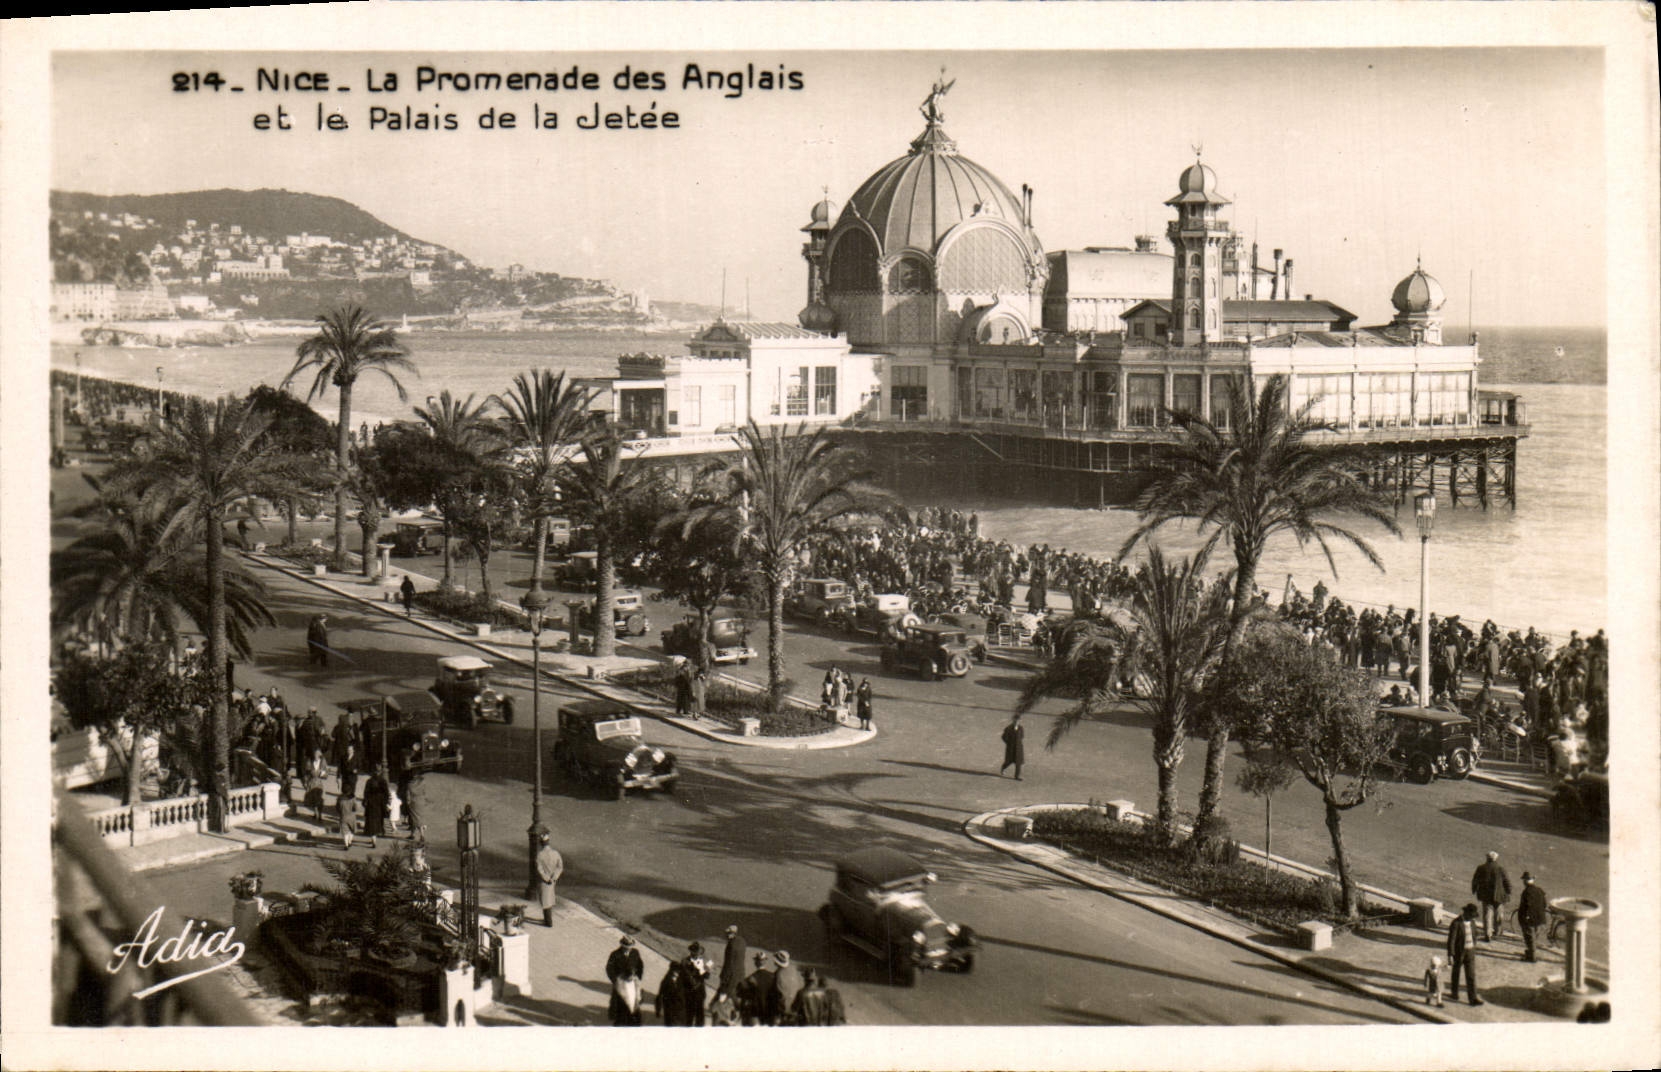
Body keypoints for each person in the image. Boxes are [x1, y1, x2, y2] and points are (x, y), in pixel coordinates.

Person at [656, 942, 709, 1026]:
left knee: (700, 1014)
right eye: (694, 951)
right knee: (689, 1014)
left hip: (699, 992)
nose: (696, 954)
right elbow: (683, 975)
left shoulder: (702, 962)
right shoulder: (685, 961)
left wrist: (703, 970)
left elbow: (706, 976)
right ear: (691, 951)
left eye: (697, 951)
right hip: (689, 991)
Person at [1446, 903, 1484, 1005]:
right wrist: (1450, 954)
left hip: (1470, 952)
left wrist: (1473, 946)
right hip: (1459, 953)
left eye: (1473, 917)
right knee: (1456, 973)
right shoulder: (1456, 923)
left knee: (1471, 975)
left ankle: (1473, 998)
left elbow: (1475, 934)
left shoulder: (1472, 923)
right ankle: (1454, 993)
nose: (1472, 918)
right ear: (1466, 913)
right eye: (1471, 916)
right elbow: (1451, 940)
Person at [1471, 850, 1512, 941]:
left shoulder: (1481, 868)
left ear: (1487, 858)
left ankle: (1487, 934)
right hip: (1499, 896)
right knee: (1498, 915)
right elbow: (1507, 882)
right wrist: (1509, 892)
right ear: (1496, 858)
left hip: (1486, 895)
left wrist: (1474, 890)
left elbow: (1475, 880)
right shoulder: (1501, 869)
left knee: (1487, 915)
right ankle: (1497, 932)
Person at [606, 935, 644, 1026]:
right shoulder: (615, 954)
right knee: (621, 1003)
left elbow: (640, 965)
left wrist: (638, 977)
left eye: (630, 947)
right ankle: (620, 1021)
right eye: (626, 947)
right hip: (621, 983)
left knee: (634, 1001)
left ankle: (634, 1020)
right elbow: (609, 968)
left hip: (632, 982)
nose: (628, 949)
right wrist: (616, 980)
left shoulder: (635, 953)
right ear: (622, 945)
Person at [1517, 871, 1550, 963]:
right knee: (1535, 936)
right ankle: (1530, 952)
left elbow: (1527, 906)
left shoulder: (1526, 892)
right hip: (1540, 918)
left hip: (1529, 919)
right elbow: (1544, 904)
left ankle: (1532, 957)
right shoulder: (1539, 890)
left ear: (1525, 881)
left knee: (1529, 937)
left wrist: (1525, 917)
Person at [736, 951, 774, 1026]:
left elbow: (741, 994)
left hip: (755, 1014)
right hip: (769, 1013)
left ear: (756, 962)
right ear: (765, 961)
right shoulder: (772, 977)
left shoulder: (750, 978)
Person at [534, 832, 564, 927]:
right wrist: (554, 877)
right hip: (552, 881)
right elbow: (560, 867)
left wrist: (546, 878)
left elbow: (539, 869)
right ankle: (548, 919)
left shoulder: (540, 855)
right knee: (549, 898)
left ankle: (548, 921)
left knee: (545, 900)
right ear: (548, 842)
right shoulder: (555, 853)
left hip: (544, 881)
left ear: (541, 843)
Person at [767, 950, 803, 1027]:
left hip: (782, 1010)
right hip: (794, 1008)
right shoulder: (793, 969)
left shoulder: (778, 974)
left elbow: (775, 993)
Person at [716, 924, 748, 1006]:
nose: (726, 935)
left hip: (730, 975)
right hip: (740, 973)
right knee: (734, 993)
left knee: (724, 992)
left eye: (728, 933)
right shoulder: (742, 941)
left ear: (732, 933)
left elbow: (729, 962)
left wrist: (724, 976)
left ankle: (719, 1008)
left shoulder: (731, 945)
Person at [362, 764, 391, 848]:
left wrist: (365, 801)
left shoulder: (369, 781)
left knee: (371, 821)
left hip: (371, 803)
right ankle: (378, 834)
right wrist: (386, 803)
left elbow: (366, 793)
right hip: (380, 803)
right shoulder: (383, 781)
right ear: (381, 771)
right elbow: (386, 793)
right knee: (379, 820)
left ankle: (373, 839)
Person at [302, 747, 328, 822]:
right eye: (315, 754)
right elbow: (306, 773)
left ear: (320, 755)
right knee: (312, 799)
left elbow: (326, 773)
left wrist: (322, 773)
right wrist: (305, 782)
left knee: (319, 799)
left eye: (317, 754)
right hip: (312, 782)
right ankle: (316, 813)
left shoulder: (322, 762)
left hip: (319, 783)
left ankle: (319, 814)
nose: (316, 756)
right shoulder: (310, 761)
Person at [1000, 712, 1026, 779]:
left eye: (1018, 720)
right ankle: (1003, 767)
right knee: (1009, 761)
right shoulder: (1008, 728)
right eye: (1015, 720)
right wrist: (1009, 743)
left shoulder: (1021, 728)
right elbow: (1004, 737)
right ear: (1013, 720)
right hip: (1011, 748)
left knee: (1018, 763)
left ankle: (1017, 776)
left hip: (1018, 748)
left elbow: (1022, 736)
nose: (1016, 722)